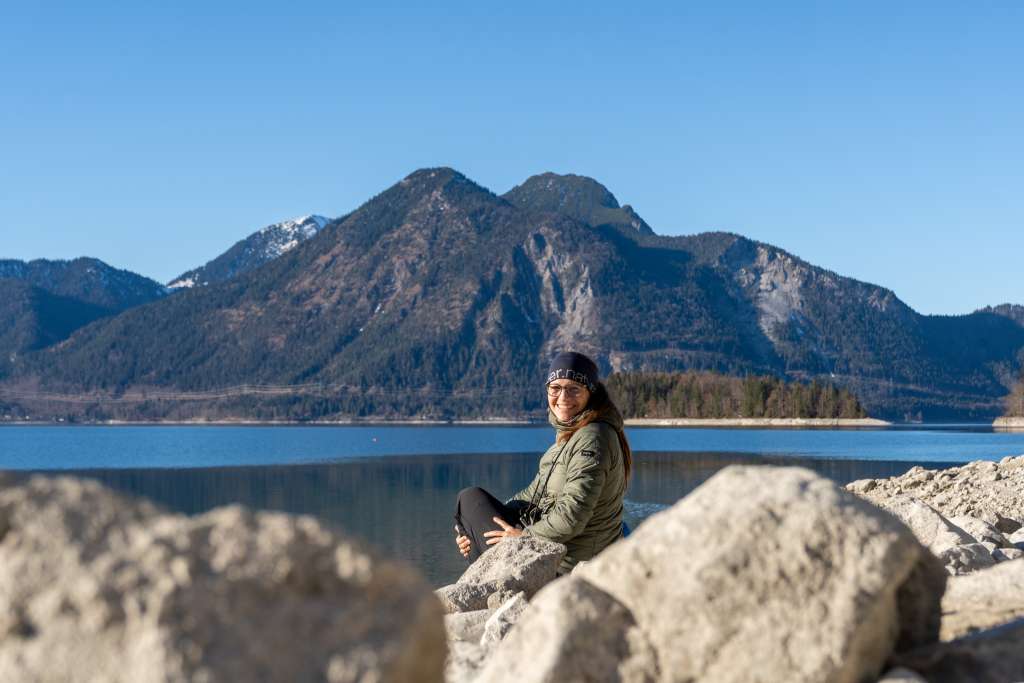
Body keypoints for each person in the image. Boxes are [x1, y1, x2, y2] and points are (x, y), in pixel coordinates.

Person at [453, 351, 632, 574]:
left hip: (567, 564)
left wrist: (524, 537)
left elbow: (572, 517)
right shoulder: (568, 438)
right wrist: (481, 525)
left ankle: (495, 583)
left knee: (469, 498)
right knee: (472, 508)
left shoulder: (592, 438)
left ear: (591, 394)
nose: (563, 397)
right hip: (559, 547)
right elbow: (530, 495)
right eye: (555, 388)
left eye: (574, 388)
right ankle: (480, 553)